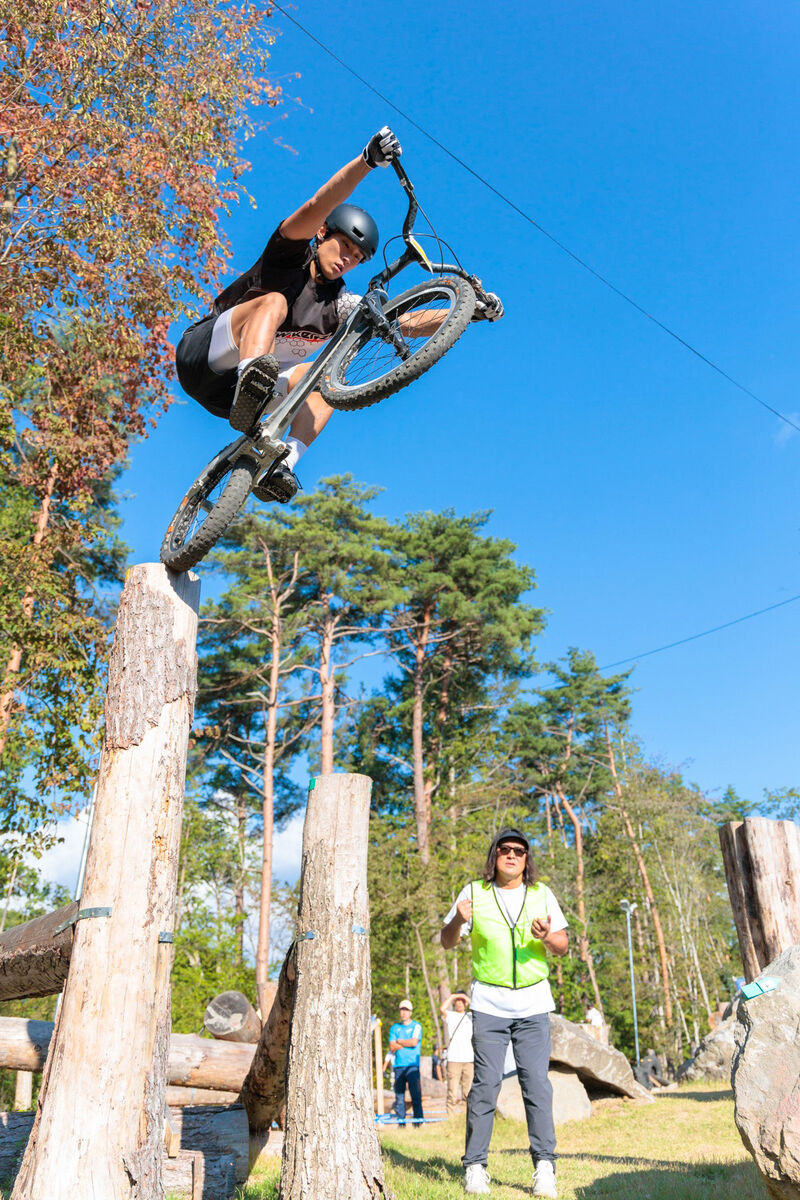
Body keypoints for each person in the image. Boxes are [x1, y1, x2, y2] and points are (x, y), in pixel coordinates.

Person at [175, 127, 503, 504]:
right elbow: (317, 204)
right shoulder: (287, 258)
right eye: (342, 244)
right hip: (203, 357)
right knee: (274, 304)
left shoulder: (340, 306)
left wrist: (466, 313)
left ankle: (283, 466)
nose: (346, 258)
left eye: (356, 257)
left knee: (324, 381)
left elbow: (401, 322)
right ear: (321, 236)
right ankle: (254, 376)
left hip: (230, 400)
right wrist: (366, 162)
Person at [441, 829, 569, 1198]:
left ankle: (545, 1166)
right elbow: (447, 941)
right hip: (489, 1004)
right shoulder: (473, 893)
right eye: (505, 850)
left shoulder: (541, 894)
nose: (512, 855)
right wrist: (457, 921)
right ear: (494, 855)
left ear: (527, 859)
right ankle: (475, 1167)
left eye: (520, 851)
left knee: (536, 1085)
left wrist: (547, 936)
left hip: (532, 1004)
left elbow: (561, 946)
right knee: (485, 1086)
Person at [388, 1000, 424, 1127]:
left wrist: (399, 1041)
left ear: (411, 1012)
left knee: (416, 1094)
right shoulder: (394, 1028)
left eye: (406, 1010)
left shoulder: (416, 1026)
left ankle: (418, 1122)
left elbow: (414, 1042)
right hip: (398, 1065)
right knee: (399, 1096)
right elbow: (392, 1046)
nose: (404, 1013)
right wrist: (404, 1043)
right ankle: (401, 1123)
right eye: (402, 1010)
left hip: (412, 1066)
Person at [441, 991, 475, 1116]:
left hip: (469, 1059)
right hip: (454, 1059)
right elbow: (442, 1008)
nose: (459, 1004)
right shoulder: (451, 1016)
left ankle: (467, 1118)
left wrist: (466, 997)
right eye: (457, 1002)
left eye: (462, 1001)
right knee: (452, 1092)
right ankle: (451, 1117)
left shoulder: (471, 1016)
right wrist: (453, 996)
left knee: (468, 1092)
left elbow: (478, 1009)